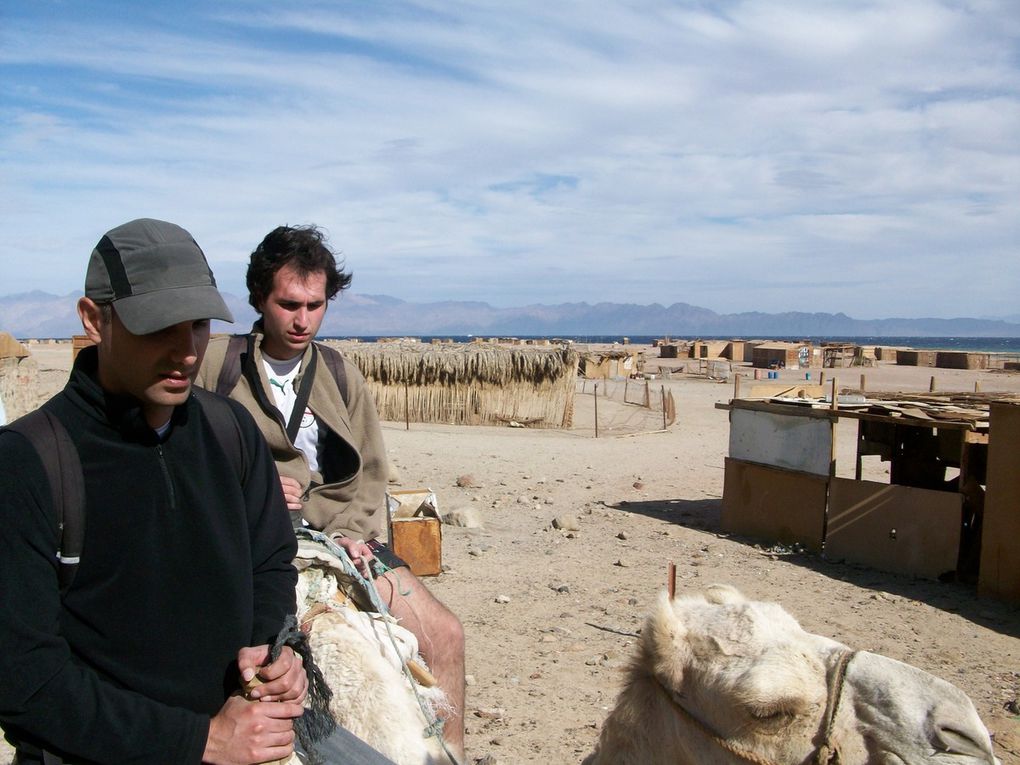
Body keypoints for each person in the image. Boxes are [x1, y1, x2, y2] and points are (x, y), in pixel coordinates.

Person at [0, 219, 392, 765]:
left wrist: (275, 650)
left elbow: (271, 563)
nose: (185, 351)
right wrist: (202, 740)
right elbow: (25, 682)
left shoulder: (231, 433)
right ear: (95, 320)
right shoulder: (28, 462)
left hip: (249, 731)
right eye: (157, 328)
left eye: (198, 325)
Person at [198, 224, 466, 761]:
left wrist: (351, 534)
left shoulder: (341, 375)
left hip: (339, 539)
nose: (303, 321)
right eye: (289, 304)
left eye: (315, 306)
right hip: (246, 541)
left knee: (447, 634)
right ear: (258, 298)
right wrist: (248, 484)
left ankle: (450, 755)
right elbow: (180, 457)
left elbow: (371, 471)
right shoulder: (214, 366)